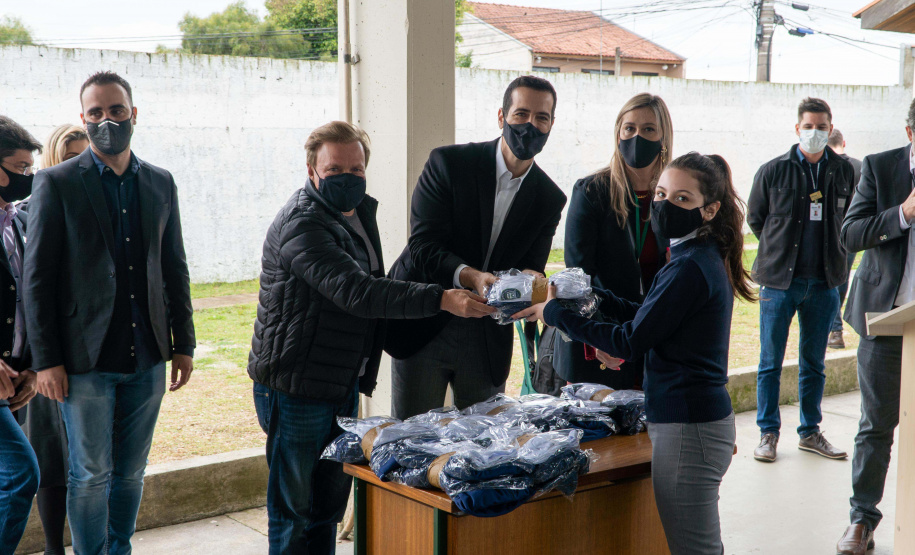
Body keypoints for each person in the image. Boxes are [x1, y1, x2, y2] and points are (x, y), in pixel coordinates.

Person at [247, 121, 493, 555]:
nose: (349, 178)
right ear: (312, 171)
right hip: (295, 386)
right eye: (336, 169)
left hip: (338, 381)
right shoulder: (302, 224)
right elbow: (357, 291)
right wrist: (441, 299)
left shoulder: (355, 212)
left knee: (327, 504)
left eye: (357, 169)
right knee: (293, 512)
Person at [516, 152, 752, 555]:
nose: (663, 205)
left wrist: (552, 312)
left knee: (694, 549)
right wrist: (591, 295)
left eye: (681, 199)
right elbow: (650, 318)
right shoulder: (693, 256)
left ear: (709, 210)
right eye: (660, 194)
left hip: (689, 426)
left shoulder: (689, 266)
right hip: (693, 422)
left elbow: (630, 341)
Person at [23, 71, 196, 555]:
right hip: (83, 364)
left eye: (116, 111)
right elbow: (37, 281)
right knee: (90, 473)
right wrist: (46, 361)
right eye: (95, 113)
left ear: (133, 115)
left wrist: (184, 343)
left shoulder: (161, 182)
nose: (106, 121)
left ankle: (118, 549)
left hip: (148, 357)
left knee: (131, 471)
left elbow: (175, 267)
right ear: (83, 118)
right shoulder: (55, 183)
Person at [385, 75, 567, 419]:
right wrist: (471, 277)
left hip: (486, 335)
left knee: (482, 444)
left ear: (551, 124)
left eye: (541, 118)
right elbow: (422, 246)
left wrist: (537, 285)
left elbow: (532, 265)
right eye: (521, 114)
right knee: (412, 440)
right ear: (502, 117)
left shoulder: (549, 197)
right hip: (427, 319)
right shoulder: (449, 164)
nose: (531, 126)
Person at [747, 97, 855, 463]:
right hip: (779, 283)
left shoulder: (845, 171)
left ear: (830, 127)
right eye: (808, 126)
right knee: (770, 362)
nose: (815, 132)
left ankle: (810, 432)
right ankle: (768, 433)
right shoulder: (773, 170)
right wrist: (781, 252)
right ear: (797, 128)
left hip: (825, 282)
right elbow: (756, 219)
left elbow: (854, 218)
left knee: (814, 363)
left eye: (821, 127)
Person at [834, 99, 915, 555]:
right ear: (910, 134)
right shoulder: (880, 169)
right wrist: (903, 213)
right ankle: (861, 520)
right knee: (876, 425)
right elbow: (850, 234)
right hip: (885, 319)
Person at [555, 93, 672, 390]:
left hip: (652, 337)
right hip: (600, 341)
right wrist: (601, 337)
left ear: (663, 138)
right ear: (618, 134)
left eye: (648, 129)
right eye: (629, 128)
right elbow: (579, 278)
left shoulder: (673, 198)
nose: (637, 136)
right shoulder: (592, 191)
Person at [19, 123, 89, 555]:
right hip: (45, 355)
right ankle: (53, 548)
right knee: (50, 456)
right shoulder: (28, 212)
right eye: (70, 159)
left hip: (89, 353)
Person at [0, 115, 41, 555]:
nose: (27, 178)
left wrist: (33, 366)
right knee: (20, 476)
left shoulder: (20, 221)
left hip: (15, 382)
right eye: (19, 168)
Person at [826, 128, 862, 350]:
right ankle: (834, 328)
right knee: (841, 279)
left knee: (830, 281)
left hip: (831, 234)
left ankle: (835, 329)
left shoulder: (826, 167)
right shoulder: (861, 167)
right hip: (853, 234)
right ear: (844, 142)